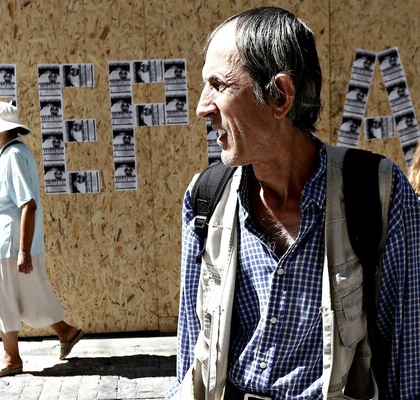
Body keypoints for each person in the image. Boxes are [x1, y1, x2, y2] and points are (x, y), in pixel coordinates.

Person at [172, 7, 420, 399]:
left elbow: (409, 366)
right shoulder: (205, 199)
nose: (203, 107)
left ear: (279, 96)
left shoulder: (378, 193)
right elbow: (191, 359)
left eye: (218, 85)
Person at [0, 100, 83, 379]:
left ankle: (11, 357)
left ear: (2, 128)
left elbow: (27, 204)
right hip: (1, 244)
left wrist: (23, 251)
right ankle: (66, 332)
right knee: (31, 295)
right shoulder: (6, 155)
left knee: (4, 298)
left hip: (7, 245)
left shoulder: (14, 156)